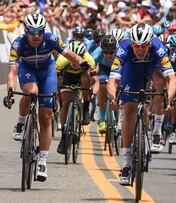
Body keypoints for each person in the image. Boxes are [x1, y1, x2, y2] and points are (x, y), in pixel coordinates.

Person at [4, 13, 85, 182]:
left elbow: (69, 54)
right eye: (32, 31)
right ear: (26, 31)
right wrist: (10, 92)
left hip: (47, 71)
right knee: (31, 92)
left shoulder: (51, 39)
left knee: (46, 116)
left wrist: (81, 62)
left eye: (39, 31)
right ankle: (20, 122)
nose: (36, 35)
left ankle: (42, 161)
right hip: (28, 70)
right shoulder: (18, 43)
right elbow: (12, 72)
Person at [107, 23, 176, 185]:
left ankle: (157, 131)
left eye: (144, 46)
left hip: (151, 67)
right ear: (131, 44)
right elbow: (112, 81)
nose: (140, 49)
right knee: (129, 110)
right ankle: (126, 163)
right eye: (137, 46)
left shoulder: (157, 47)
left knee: (160, 81)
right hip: (131, 70)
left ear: (150, 44)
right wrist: (113, 98)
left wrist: (170, 97)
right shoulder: (123, 48)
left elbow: (172, 79)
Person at [56, 41, 98, 154]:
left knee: (85, 78)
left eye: (78, 58)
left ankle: (85, 109)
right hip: (68, 77)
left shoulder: (89, 60)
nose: (75, 62)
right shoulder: (62, 60)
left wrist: (93, 92)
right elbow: (55, 79)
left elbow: (95, 81)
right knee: (65, 102)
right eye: (72, 59)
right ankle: (64, 137)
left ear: (83, 55)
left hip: (82, 76)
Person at [92, 35, 118, 134]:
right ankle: (102, 120)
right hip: (105, 70)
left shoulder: (120, 53)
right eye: (105, 53)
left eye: (111, 52)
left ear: (115, 50)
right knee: (102, 85)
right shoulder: (97, 53)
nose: (108, 55)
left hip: (117, 69)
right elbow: (90, 66)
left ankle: (117, 119)